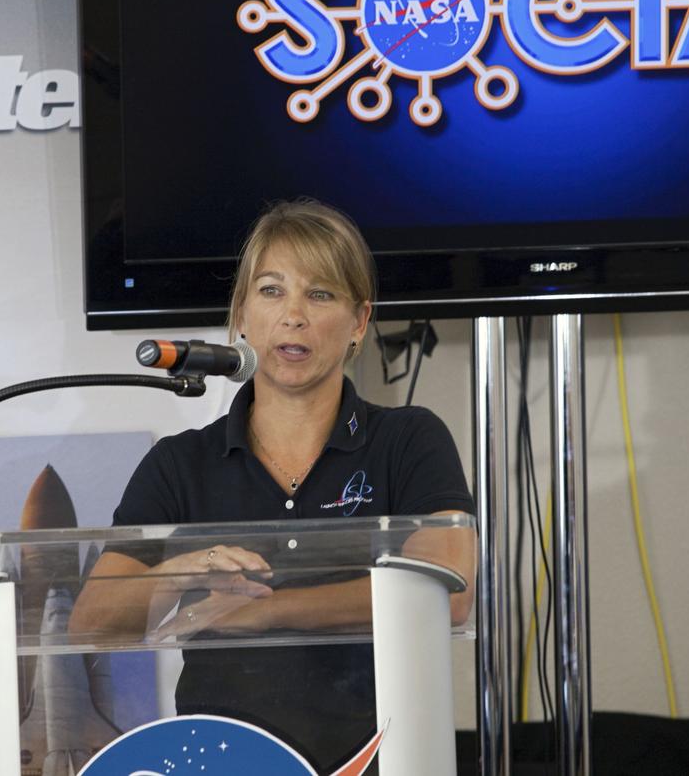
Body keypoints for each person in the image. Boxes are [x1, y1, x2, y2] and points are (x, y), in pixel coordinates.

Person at [70, 199, 475, 772]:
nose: (293, 315)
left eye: (321, 294)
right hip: (221, 760)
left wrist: (267, 610)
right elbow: (92, 624)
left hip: (380, 756)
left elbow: (449, 596)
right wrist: (188, 566)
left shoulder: (409, 440)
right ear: (240, 315)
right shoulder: (178, 463)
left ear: (358, 322)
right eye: (271, 290)